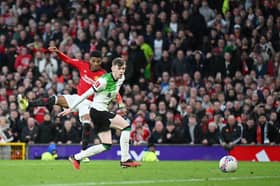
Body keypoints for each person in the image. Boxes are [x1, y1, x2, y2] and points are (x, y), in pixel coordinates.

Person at [18, 47, 107, 161]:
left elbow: (113, 90)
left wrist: (119, 103)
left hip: (89, 103)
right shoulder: (83, 65)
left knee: (86, 124)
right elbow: (68, 60)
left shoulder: (104, 75)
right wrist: (58, 52)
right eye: (93, 60)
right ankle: (27, 104)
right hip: (77, 98)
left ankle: (83, 154)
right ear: (90, 60)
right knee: (55, 99)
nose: (95, 64)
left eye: (98, 61)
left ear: (101, 61)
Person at [58, 57, 141, 169]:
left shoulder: (121, 79)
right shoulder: (103, 81)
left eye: (124, 69)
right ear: (112, 68)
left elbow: (115, 92)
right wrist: (71, 108)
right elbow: (86, 94)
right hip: (97, 112)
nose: (122, 71)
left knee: (106, 145)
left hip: (102, 112)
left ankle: (76, 157)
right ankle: (125, 160)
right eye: (120, 68)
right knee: (126, 127)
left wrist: (121, 104)